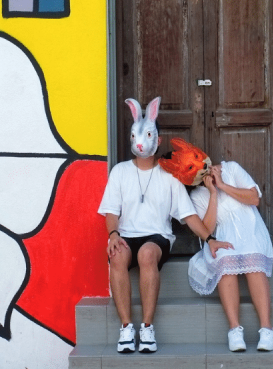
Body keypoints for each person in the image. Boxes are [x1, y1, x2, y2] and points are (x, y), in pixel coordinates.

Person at [98, 97, 233, 354]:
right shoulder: (120, 171)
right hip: (126, 234)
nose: (140, 141)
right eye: (136, 135)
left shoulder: (168, 175)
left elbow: (188, 214)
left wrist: (210, 238)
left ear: (157, 140)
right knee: (117, 255)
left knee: (147, 254)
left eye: (148, 135)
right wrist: (113, 234)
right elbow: (111, 212)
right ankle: (127, 328)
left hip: (156, 237)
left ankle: (147, 327)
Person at [159, 138, 273, 352]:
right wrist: (213, 193)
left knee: (253, 260)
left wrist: (222, 185)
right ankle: (234, 329)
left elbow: (253, 198)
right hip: (224, 234)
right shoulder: (197, 196)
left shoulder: (232, 169)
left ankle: (267, 328)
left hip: (250, 228)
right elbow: (208, 230)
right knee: (224, 261)